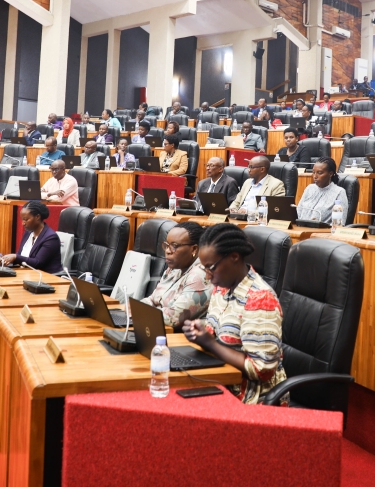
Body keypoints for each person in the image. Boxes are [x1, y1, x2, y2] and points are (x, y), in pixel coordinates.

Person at [182, 223, 286, 404]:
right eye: (204, 268)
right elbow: (218, 333)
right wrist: (199, 332)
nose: (207, 276)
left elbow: (261, 370)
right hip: (221, 380)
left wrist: (210, 344)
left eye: (211, 267)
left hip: (252, 399)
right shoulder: (222, 288)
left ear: (234, 257)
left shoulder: (260, 299)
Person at [143, 222, 212, 329]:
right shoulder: (174, 267)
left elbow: (173, 318)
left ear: (194, 249)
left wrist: (140, 311)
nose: (167, 251)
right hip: (155, 325)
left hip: (179, 335)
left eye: (174, 246)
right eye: (166, 245)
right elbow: (152, 299)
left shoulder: (200, 275)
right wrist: (133, 308)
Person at [0, 201, 62, 274]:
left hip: (46, 277)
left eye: (26, 219)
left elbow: (38, 263)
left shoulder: (51, 238)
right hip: (28, 274)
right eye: (22, 219)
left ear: (37, 217)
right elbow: (20, 255)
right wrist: (2, 257)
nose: (23, 223)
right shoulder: (28, 233)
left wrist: (15, 257)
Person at [296, 158, 347, 223]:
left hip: (322, 229)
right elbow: (297, 213)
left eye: (319, 173)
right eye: (313, 172)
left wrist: (319, 225)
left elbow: (339, 223)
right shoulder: (309, 188)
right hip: (300, 227)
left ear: (330, 174)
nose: (315, 176)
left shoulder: (339, 192)